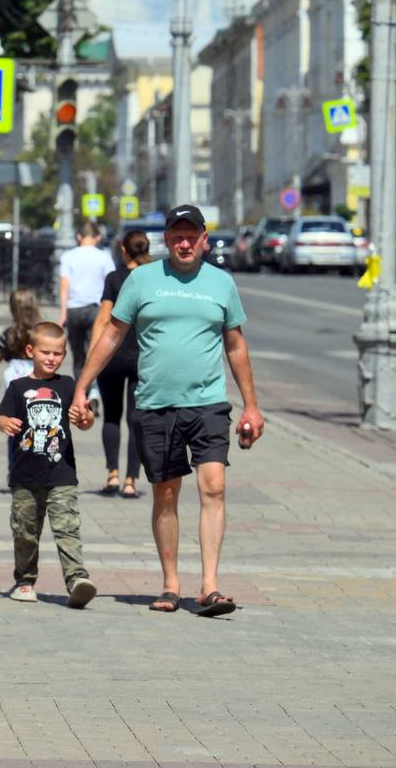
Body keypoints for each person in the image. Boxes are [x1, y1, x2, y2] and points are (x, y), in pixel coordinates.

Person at [71, 204, 265, 618]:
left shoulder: (221, 283)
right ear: (167, 240)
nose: (184, 242)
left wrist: (251, 405)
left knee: (213, 486)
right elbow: (112, 335)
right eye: (177, 235)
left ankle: (210, 586)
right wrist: (82, 385)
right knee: (166, 493)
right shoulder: (142, 280)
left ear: (204, 239)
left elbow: (235, 344)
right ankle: (171, 583)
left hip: (208, 402)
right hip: (156, 403)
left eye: (191, 235)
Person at [0, 321, 98, 608]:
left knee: (68, 528)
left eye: (58, 353)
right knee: (25, 531)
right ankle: (25, 581)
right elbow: (0, 416)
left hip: (61, 474)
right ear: (31, 351)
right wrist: (6, 422)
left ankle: (77, 579)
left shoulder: (67, 385)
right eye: (45, 352)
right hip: (25, 477)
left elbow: (85, 420)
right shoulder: (18, 387)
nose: (52, 358)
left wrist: (85, 419)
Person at [90, 231, 152, 498]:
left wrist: (93, 356)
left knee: (112, 417)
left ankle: (112, 476)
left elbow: (104, 319)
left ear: (123, 251)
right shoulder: (153, 279)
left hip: (113, 357)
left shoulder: (115, 279)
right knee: (136, 420)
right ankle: (130, 482)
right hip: (144, 358)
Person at [0, 288, 42, 490]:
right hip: (38, 383)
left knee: (13, 427)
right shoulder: (40, 334)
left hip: (14, 386)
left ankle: (15, 470)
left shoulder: (9, 334)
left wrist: (3, 353)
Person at [58, 222, 114, 413]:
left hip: (74, 309)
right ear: (98, 237)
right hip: (97, 310)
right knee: (96, 352)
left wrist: (63, 313)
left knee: (78, 356)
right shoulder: (104, 257)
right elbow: (110, 283)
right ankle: (94, 392)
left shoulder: (68, 256)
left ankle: (80, 394)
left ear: (79, 237)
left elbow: (64, 286)